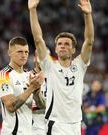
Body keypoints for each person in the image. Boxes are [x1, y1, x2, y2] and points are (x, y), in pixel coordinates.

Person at [28, 0, 94, 134]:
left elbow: (89, 42)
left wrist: (88, 15)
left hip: (76, 123)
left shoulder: (80, 65)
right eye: (59, 44)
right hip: (56, 123)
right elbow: (38, 39)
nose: (63, 45)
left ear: (74, 49)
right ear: (56, 49)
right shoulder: (49, 66)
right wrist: (32, 10)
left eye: (67, 44)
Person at [0, 36, 45, 135]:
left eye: (26, 52)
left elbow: (41, 107)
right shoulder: (3, 75)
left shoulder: (29, 75)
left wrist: (37, 93)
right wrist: (32, 88)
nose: (24, 55)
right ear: (9, 53)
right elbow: (11, 106)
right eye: (20, 52)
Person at [32, 50, 47, 135]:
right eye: (40, 56)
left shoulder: (55, 78)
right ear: (35, 59)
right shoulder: (27, 77)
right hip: (35, 126)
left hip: (54, 125)